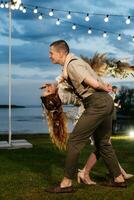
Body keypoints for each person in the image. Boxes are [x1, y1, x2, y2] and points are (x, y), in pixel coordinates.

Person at [45, 40, 127, 193]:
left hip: (97, 102)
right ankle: (118, 179)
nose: (49, 56)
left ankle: (66, 183)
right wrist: (53, 86)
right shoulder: (72, 64)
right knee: (103, 142)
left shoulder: (72, 65)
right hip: (104, 102)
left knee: (75, 141)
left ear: (61, 53)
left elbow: (93, 84)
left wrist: (104, 87)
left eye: (51, 53)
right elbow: (62, 78)